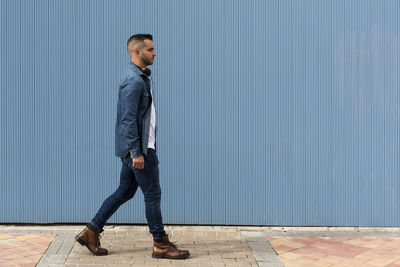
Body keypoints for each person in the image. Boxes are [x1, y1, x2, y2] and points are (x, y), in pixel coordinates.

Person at [75, 34, 190, 260]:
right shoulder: (134, 80)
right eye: (150, 49)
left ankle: (91, 231)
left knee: (125, 191)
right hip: (140, 150)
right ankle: (160, 244)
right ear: (137, 52)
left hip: (139, 148)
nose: (155, 53)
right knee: (152, 194)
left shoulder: (140, 78)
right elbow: (127, 119)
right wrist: (136, 152)